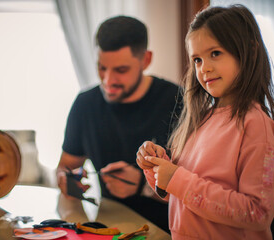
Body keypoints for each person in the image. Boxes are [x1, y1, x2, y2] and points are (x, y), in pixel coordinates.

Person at [136, 4, 274, 240]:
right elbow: (181, 195)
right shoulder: (201, 119)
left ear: (249, 52)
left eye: (215, 53)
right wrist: (158, 166)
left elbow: (257, 213)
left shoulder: (256, 125)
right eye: (197, 59)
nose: (204, 68)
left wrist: (176, 178)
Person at [56, 15, 182, 232]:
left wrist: (144, 186)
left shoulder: (178, 102)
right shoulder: (85, 104)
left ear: (146, 60)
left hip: (167, 230)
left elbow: (198, 190)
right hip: (106, 228)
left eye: (120, 70)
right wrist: (67, 180)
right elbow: (65, 166)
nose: (108, 81)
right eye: (101, 68)